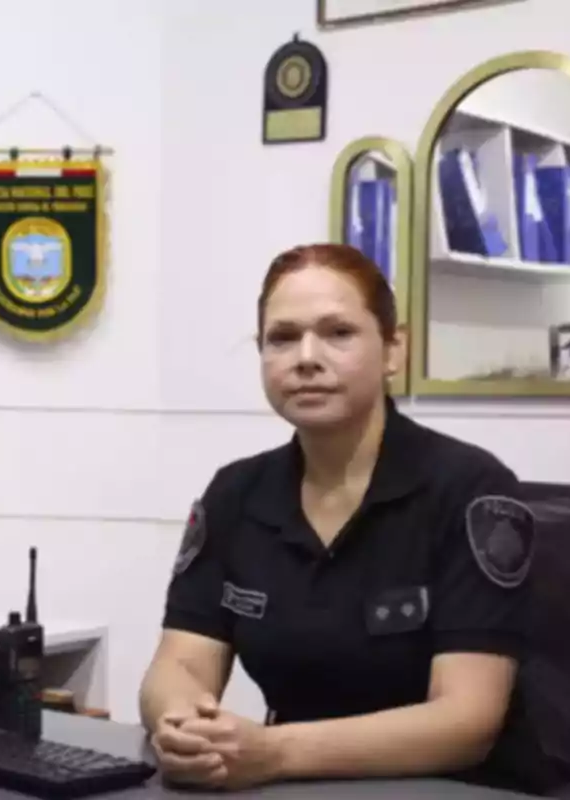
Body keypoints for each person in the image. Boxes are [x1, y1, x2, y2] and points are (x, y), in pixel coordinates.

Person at [138, 244, 547, 793]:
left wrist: (275, 751)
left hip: (450, 787)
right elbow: (179, 664)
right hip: (290, 785)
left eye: (338, 333)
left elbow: (466, 722)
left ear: (392, 349)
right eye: (282, 338)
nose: (306, 357)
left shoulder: (470, 488)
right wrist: (183, 726)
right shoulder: (235, 493)